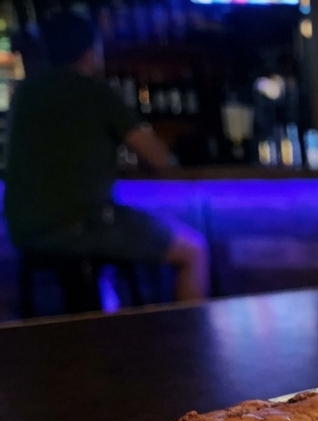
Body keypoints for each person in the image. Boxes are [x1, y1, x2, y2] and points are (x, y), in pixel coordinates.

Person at [5, 11, 209, 302]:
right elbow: (159, 159)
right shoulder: (95, 91)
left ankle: (104, 333)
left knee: (106, 259)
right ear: (91, 51)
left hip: (24, 232)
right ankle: (188, 344)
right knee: (193, 251)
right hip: (80, 226)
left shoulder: (25, 93)